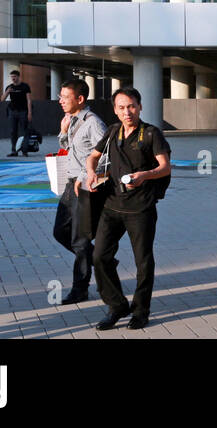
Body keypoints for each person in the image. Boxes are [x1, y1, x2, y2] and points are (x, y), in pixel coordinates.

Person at [86, 86, 172, 329]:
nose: (127, 112)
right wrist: (91, 173)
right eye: (122, 107)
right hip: (111, 206)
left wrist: (145, 175)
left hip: (141, 208)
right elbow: (92, 157)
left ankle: (140, 311)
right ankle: (116, 305)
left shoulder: (151, 134)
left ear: (140, 106)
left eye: (132, 106)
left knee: (143, 262)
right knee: (99, 257)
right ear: (115, 110)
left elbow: (165, 167)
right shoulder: (113, 132)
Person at [52, 78, 107, 305]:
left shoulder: (94, 123)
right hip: (70, 184)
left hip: (85, 186)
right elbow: (69, 148)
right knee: (60, 232)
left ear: (80, 99)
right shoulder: (73, 119)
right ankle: (101, 260)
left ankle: (80, 288)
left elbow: (106, 156)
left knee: (80, 239)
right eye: (60, 97)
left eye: (65, 97)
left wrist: (86, 177)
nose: (61, 101)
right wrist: (63, 131)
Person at [2, 69, 33, 157]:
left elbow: (29, 100)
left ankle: (24, 150)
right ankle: (14, 151)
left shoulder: (25, 86)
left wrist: (29, 113)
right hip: (13, 112)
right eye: (12, 77)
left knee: (25, 131)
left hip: (23, 111)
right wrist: (7, 92)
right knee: (13, 132)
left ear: (19, 77)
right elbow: (2, 99)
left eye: (14, 77)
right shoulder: (10, 87)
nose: (13, 78)